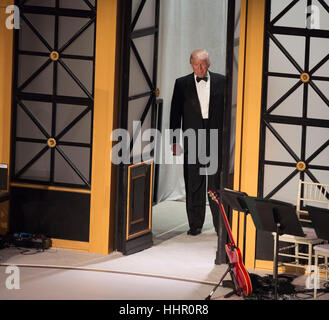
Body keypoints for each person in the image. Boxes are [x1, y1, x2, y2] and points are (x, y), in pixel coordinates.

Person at [170, 49, 225, 236]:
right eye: (196, 64)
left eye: (203, 64)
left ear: (209, 64)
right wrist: (174, 140)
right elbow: (175, 113)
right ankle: (195, 224)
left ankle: (221, 226)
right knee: (194, 182)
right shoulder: (181, 84)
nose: (200, 68)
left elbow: (229, 112)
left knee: (215, 182)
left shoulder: (222, 81)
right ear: (191, 64)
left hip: (216, 136)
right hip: (192, 137)